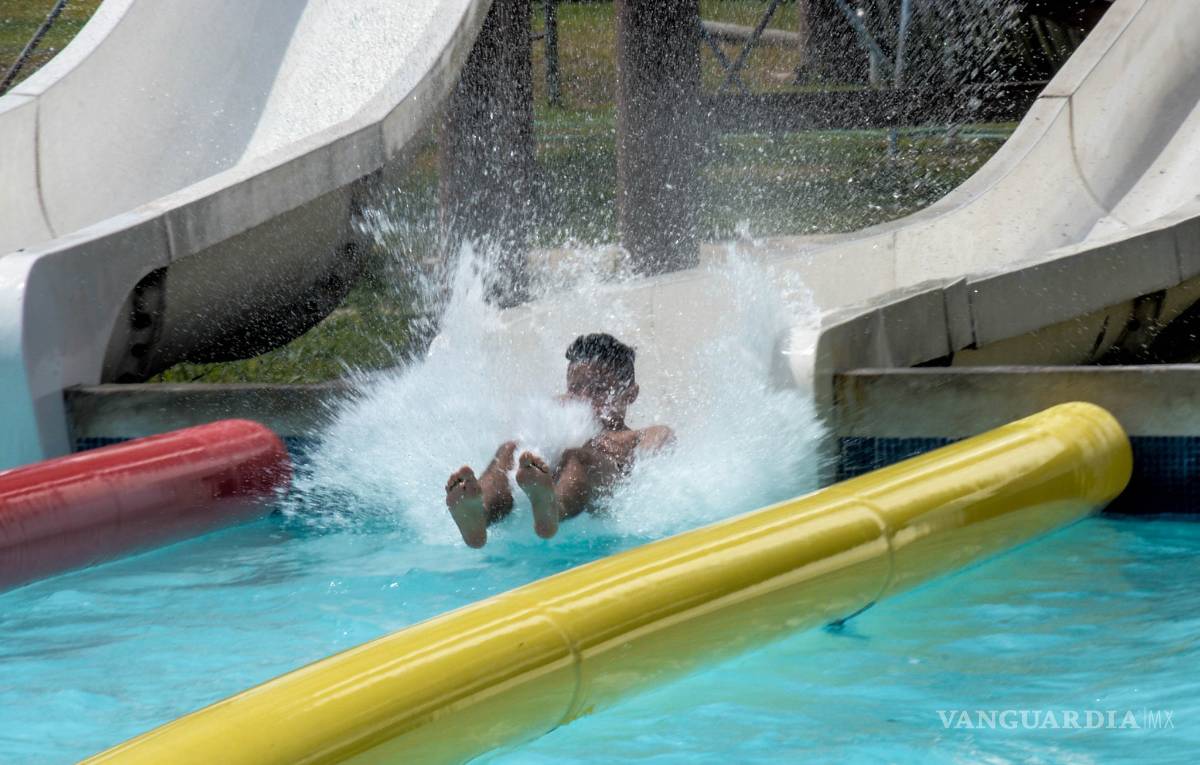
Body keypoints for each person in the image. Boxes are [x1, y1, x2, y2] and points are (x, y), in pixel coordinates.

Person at [445, 333, 674, 548]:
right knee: (510, 450)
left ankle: (552, 508)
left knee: (579, 456)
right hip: (546, 490)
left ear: (630, 394)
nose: (583, 398)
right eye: (575, 388)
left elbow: (661, 440)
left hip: (602, 494)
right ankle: (477, 514)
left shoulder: (634, 436)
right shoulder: (562, 420)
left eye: (598, 389)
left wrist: (642, 450)